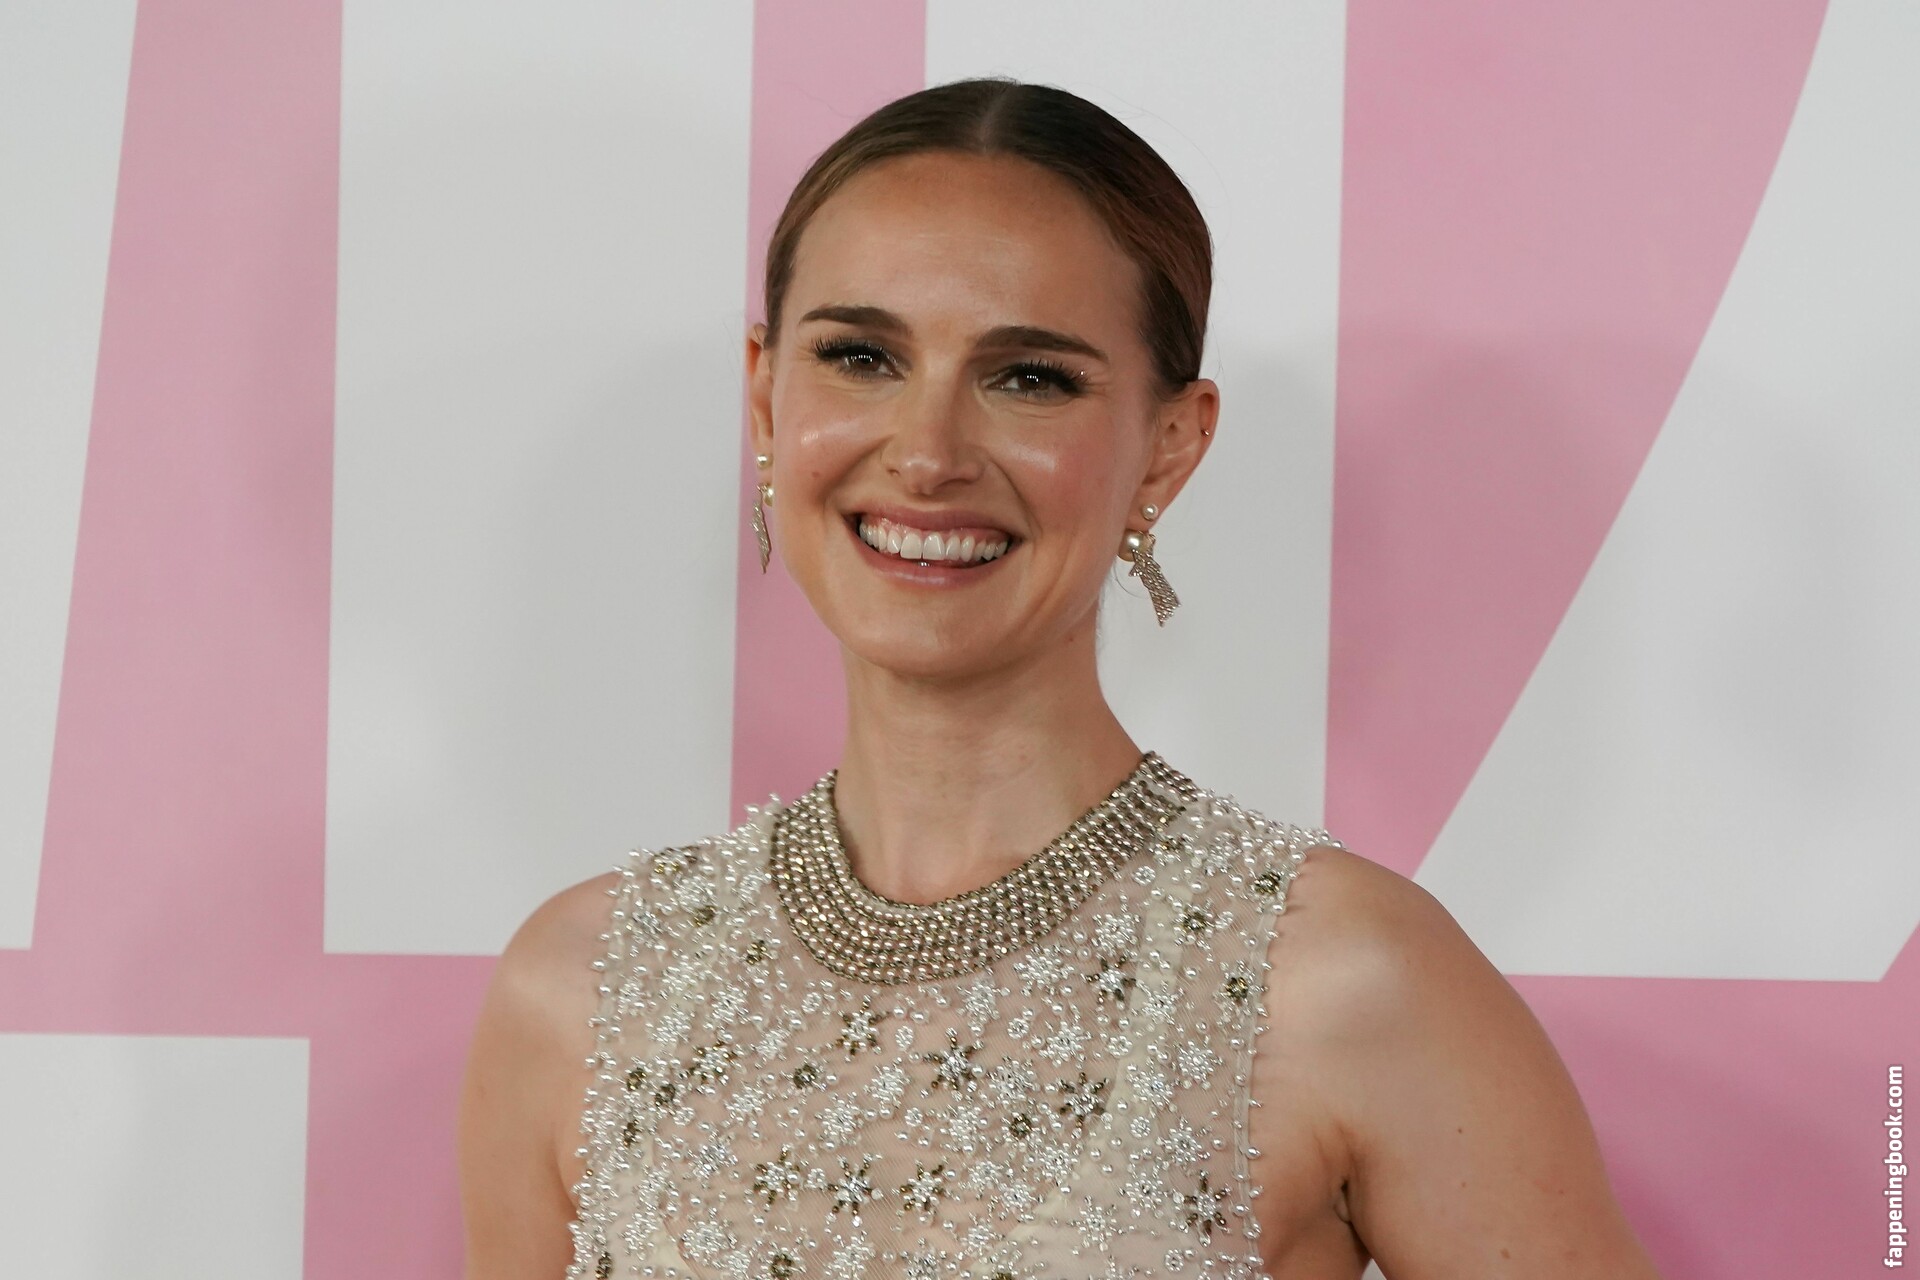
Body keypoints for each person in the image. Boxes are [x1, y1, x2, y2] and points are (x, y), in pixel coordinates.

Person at [458, 77, 1665, 1280]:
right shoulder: (584, 989)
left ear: (1171, 445)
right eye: (861, 356)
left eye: (1030, 376)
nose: (927, 453)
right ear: (767, 394)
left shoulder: (1340, 980)